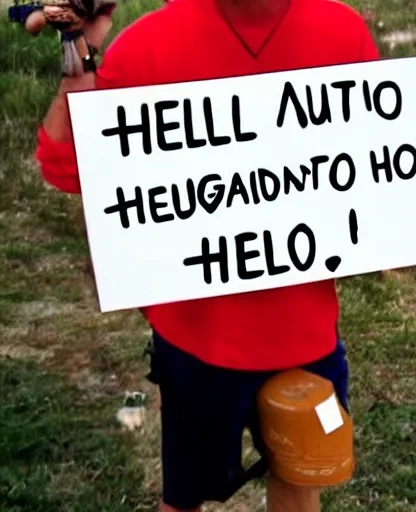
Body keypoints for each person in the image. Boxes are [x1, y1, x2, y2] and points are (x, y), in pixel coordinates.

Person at [35, 0, 379, 510]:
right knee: (187, 495)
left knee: (298, 480)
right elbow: (66, 168)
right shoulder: (145, 46)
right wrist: (79, 56)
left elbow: (373, 161)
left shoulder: (342, 32)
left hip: (304, 335)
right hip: (197, 342)